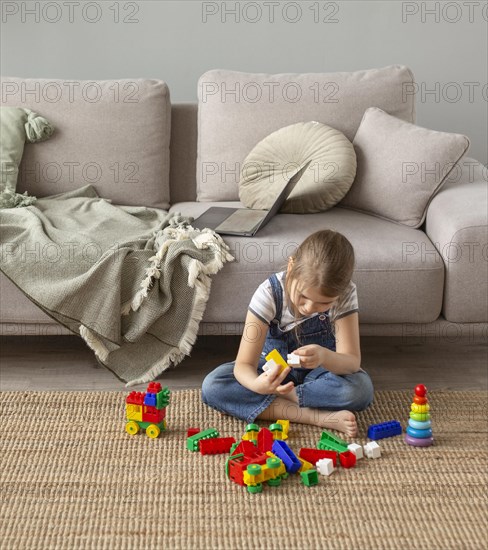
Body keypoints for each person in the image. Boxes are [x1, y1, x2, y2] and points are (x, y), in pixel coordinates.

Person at [201, 229, 374, 437]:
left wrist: (324, 356)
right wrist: (259, 384)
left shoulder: (345, 294)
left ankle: (290, 399)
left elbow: (351, 361)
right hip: (273, 373)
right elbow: (244, 365)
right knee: (214, 386)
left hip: (319, 376)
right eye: (303, 296)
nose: (309, 307)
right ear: (291, 267)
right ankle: (314, 415)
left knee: (359, 390)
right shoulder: (269, 293)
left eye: (324, 303)